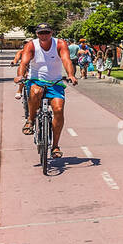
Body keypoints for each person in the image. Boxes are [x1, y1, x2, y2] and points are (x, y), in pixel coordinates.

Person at [13, 23, 78, 158]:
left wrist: (71, 74)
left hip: (55, 82)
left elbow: (66, 60)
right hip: (36, 80)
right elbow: (24, 63)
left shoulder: (60, 44)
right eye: (41, 33)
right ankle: (30, 119)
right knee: (36, 92)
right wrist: (20, 75)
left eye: (46, 32)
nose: (44, 35)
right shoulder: (31, 45)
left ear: (51, 33)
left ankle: (55, 146)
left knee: (58, 110)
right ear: (37, 34)